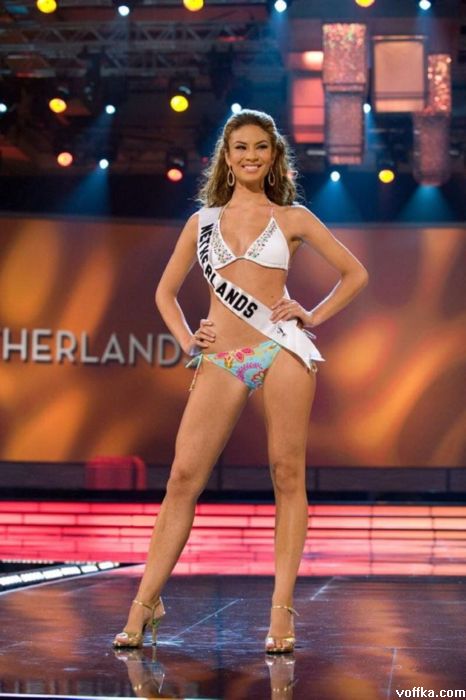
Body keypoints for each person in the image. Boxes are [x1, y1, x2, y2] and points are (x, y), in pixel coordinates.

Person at [113, 109, 369, 654]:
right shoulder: (201, 223)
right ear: (226, 160)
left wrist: (312, 315)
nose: (250, 156)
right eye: (240, 148)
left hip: (281, 349)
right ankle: (145, 603)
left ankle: (281, 610)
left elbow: (356, 274)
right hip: (223, 356)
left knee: (286, 473)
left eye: (260, 147)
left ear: (273, 157)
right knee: (183, 477)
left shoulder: (294, 217)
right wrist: (189, 339)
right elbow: (164, 293)